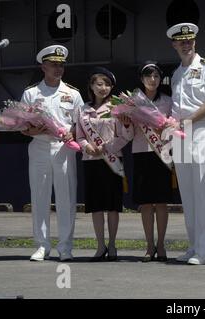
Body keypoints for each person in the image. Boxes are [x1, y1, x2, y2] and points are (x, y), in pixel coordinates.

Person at [167, 22, 205, 265]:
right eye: (181, 41)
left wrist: (186, 122)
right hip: (181, 135)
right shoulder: (177, 73)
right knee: (188, 195)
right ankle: (193, 246)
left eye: (189, 40)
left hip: (202, 132)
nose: (186, 44)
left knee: (204, 192)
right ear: (174, 44)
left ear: (195, 42)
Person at [21, 45, 84, 261]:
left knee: (66, 198)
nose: (58, 68)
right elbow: (22, 126)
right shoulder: (31, 93)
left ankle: (65, 247)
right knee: (39, 197)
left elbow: (81, 124)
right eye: (53, 65)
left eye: (61, 65)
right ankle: (41, 245)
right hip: (39, 147)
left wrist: (72, 134)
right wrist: (33, 129)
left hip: (64, 149)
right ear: (43, 66)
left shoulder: (73, 93)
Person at [76, 67, 133, 262]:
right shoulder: (83, 109)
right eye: (99, 84)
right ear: (91, 86)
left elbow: (127, 135)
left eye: (107, 84)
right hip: (91, 161)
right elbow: (79, 136)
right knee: (97, 206)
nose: (103, 88)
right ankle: (100, 246)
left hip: (113, 160)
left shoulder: (117, 108)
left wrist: (107, 147)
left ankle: (113, 244)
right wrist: (87, 147)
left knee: (113, 206)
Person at [131, 63, 173, 263]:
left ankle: (162, 244)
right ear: (142, 79)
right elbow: (128, 132)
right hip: (141, 153)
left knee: (161, 202)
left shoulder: (168, 101)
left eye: (156, 76)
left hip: (161, 153)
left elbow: (174, 129)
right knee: (146, 203)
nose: (152, 80)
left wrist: (164, 130)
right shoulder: (133, 101)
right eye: (148, 76)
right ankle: (149, 245)